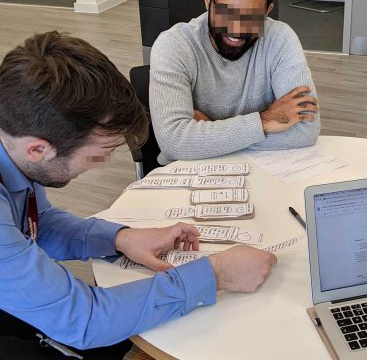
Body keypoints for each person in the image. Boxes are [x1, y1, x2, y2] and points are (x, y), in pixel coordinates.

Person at [0, 31, 277, 359]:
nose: (102, 164)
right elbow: (86, 320)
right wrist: (216, 273)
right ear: (38, 150)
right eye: (99, 152)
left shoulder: (19, 145)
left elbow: (37, 223)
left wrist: (119, 238)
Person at [149, 0, 320, 165]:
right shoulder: (174, 45)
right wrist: (264, 120)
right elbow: (174, 142)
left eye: (251, 17)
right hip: (189, 175)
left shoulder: (281, 38)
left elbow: (306, 131)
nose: (236, 29)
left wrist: (207, 131)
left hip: (261, 171)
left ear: (267, 11)